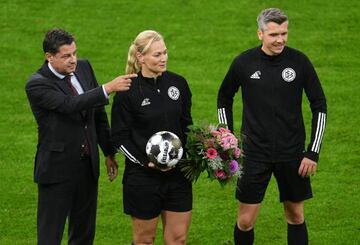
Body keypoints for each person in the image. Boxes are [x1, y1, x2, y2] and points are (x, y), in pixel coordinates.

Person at [217, 8, 327, 245]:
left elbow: (319, 104)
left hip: (293, 154)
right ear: (260, 34)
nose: (280, 40)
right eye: (274, 34)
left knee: (296, 215)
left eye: (284, 33)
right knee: (245, 220)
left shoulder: (299, 61)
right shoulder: (244, 63)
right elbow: (224, 97)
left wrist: (312, 152)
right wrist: (227, 136)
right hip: (255, 153)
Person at [25, 28, 137, 245]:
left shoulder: (84, 68)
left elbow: (97, 113)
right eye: (66, 56)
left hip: (87, 167)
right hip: (57, 171)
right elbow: (69, 105)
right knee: (50, 235)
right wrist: (107, 88)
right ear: (49, 57)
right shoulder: (37, 84)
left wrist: (108, 152)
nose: (73, 60)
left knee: (84, 233)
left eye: (74, 53)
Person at [111, 30, 193, 245]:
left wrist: (196, 152)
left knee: (178, 239)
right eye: (157, 55)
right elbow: (119, 137)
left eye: (165, 52)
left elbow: (186, 125)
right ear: (141, 58)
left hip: (178, 176)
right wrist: (146, 161)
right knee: (144, 241)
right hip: (143, 178)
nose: (163, 58)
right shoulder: (127, 91)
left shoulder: (178, 84)